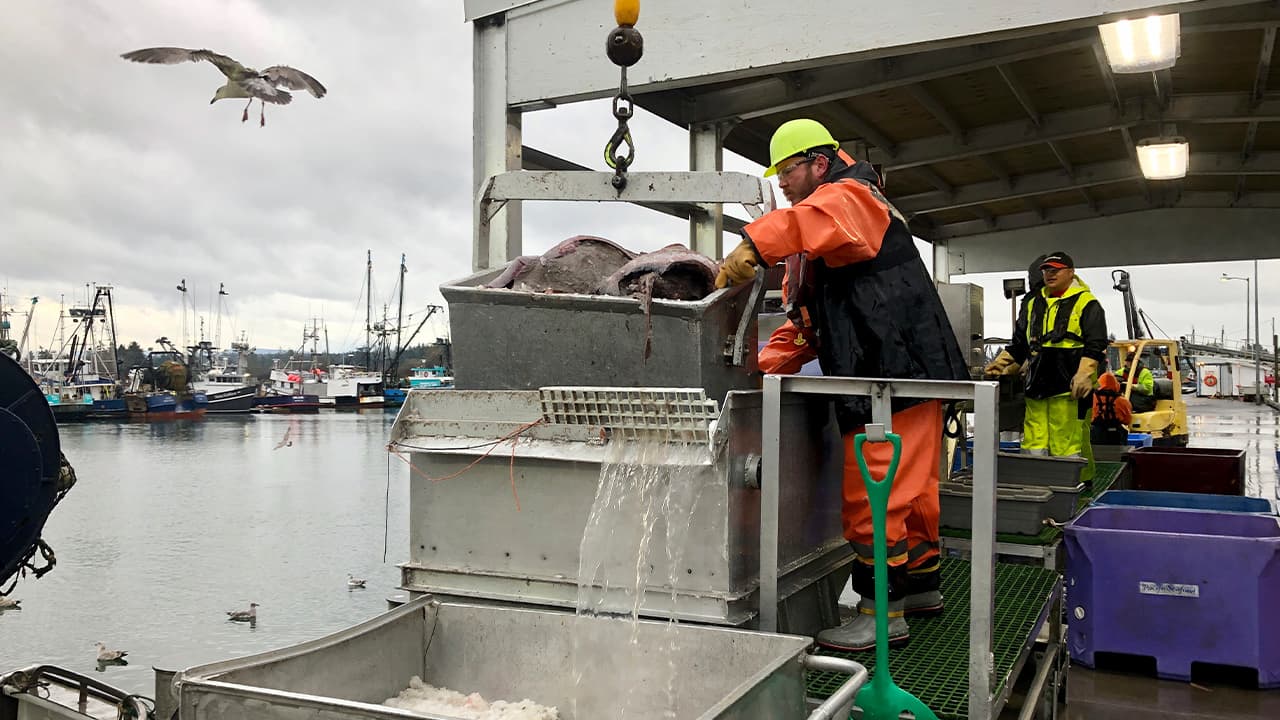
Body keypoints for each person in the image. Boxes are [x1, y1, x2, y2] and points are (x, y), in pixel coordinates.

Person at [716, 118, 969, 651]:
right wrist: (754, 371)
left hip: (892, 376)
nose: (781, 184)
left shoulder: (852, 197)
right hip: (903, 374)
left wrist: (753, 246)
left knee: (874, 499)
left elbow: (808, 221)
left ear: (820, 164)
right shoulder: (828, 241)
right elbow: (807, 325)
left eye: (787, 171)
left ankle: (881, 618)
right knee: (914, 491)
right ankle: (920, 587)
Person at [985, 252, 1108, 462]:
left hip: (1069, 388)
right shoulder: (1033, 302)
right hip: (1037, 386)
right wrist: (1000, 364)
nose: (1049, 274)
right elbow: (1020, 343)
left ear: (1071, 272)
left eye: (1055, 270)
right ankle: (1033, 482)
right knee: (1034, 440)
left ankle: (1071, 485)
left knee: (1067, 441)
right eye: (1046, 270)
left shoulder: (1087, 303)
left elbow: (1096, 344)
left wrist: (1084, 374)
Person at [1091, 369, 1132, 445]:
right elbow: (1127, 421)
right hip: (1116, 436)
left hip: (1095, 435)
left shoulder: (1091, 398)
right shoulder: (1123, 401)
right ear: (1116, 384)